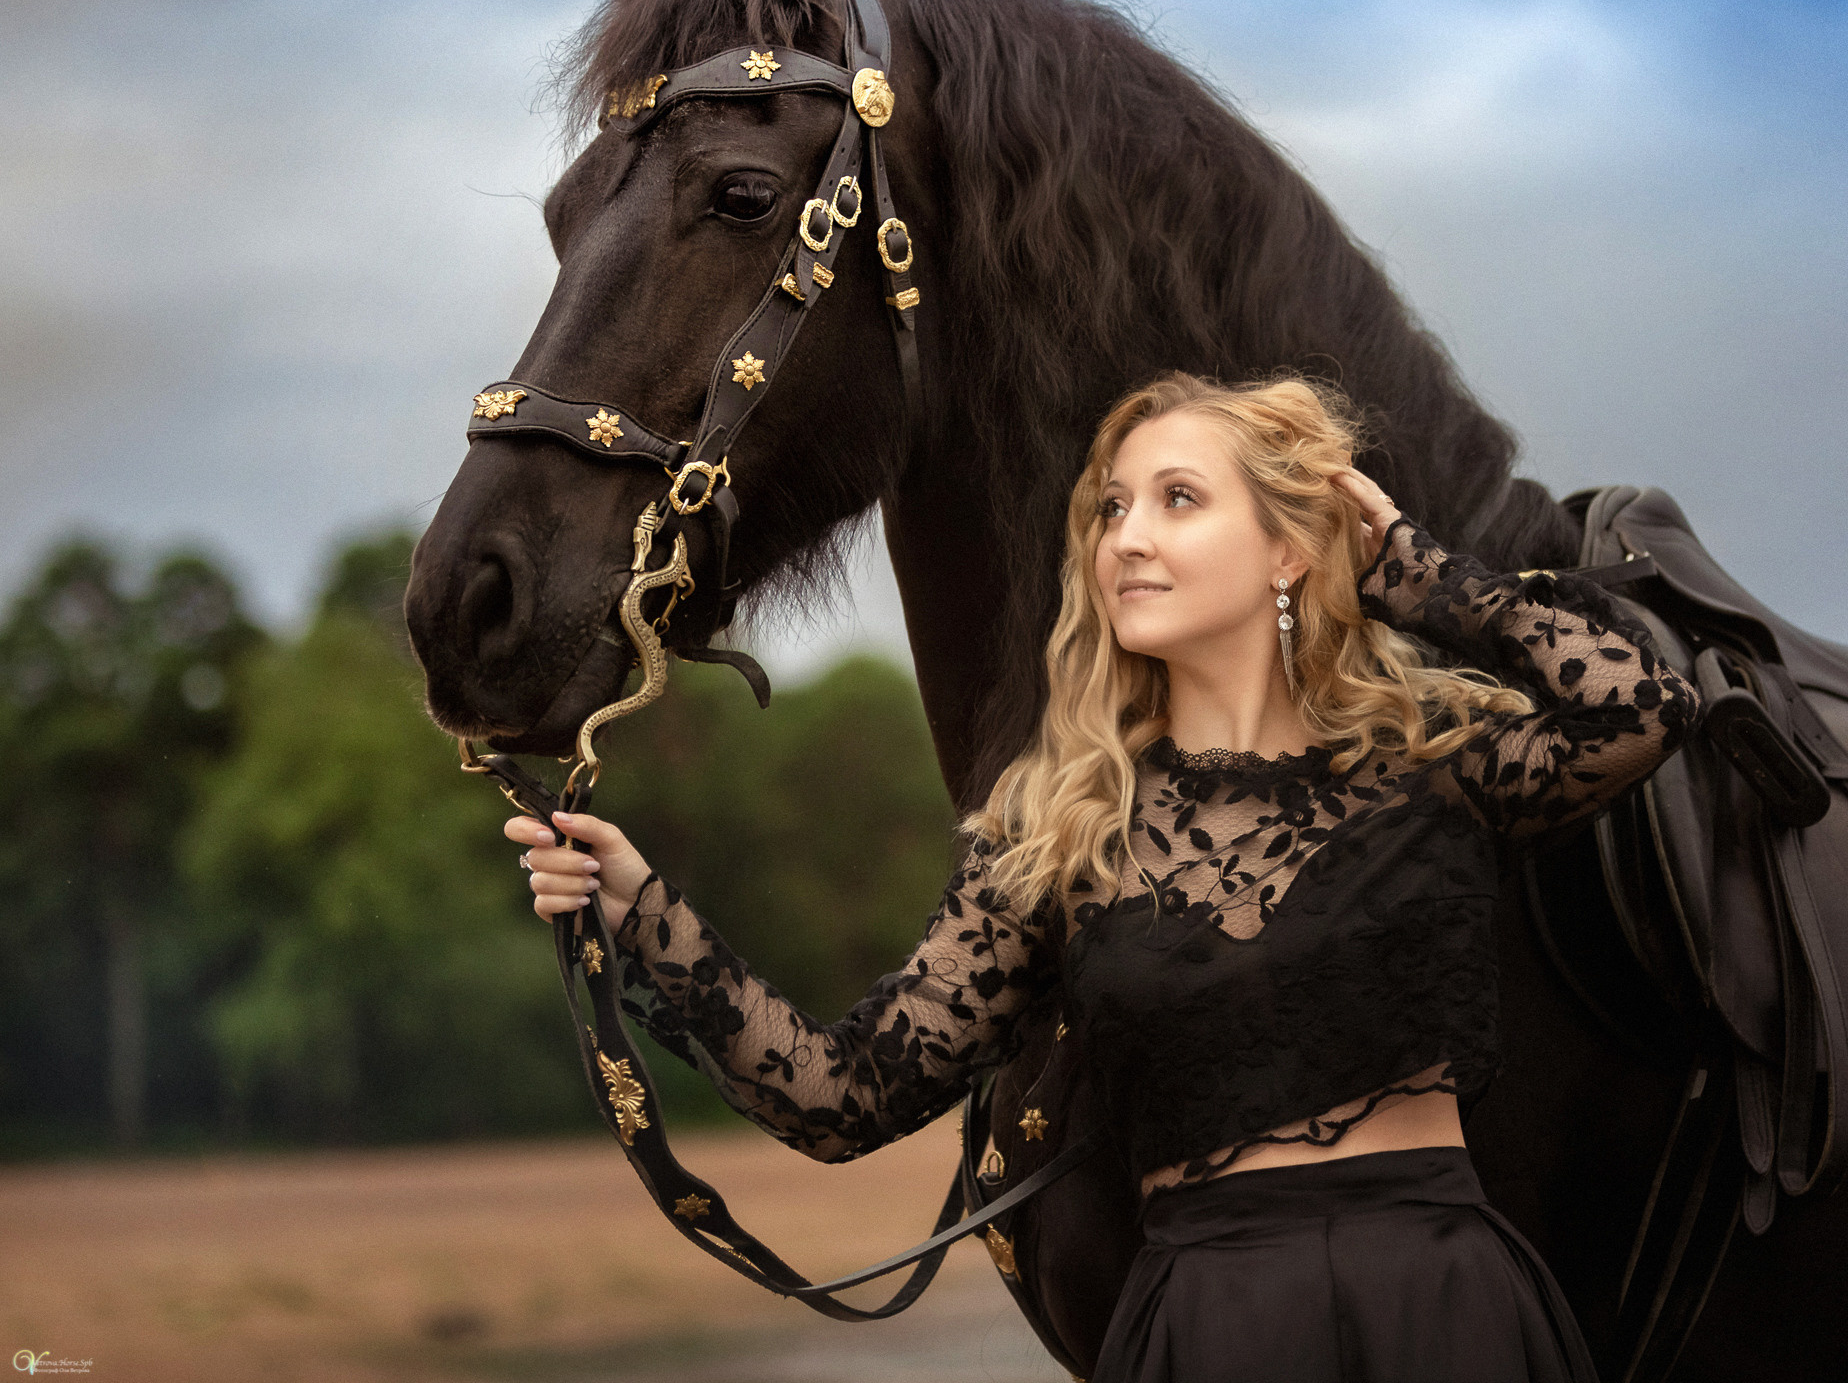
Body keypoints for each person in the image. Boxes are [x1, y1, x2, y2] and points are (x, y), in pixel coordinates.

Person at [508, 371, 1697, 1382]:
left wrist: (1412, 569)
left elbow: (1640, 704)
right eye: (1112, 507)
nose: (1126, 536)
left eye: (1179, 500)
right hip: (1212, 1325)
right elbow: (844, 1091)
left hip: (1447, 1307)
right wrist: (640, 906)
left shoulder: (1436, 764)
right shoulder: (1060, 830)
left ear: (1288, 544)